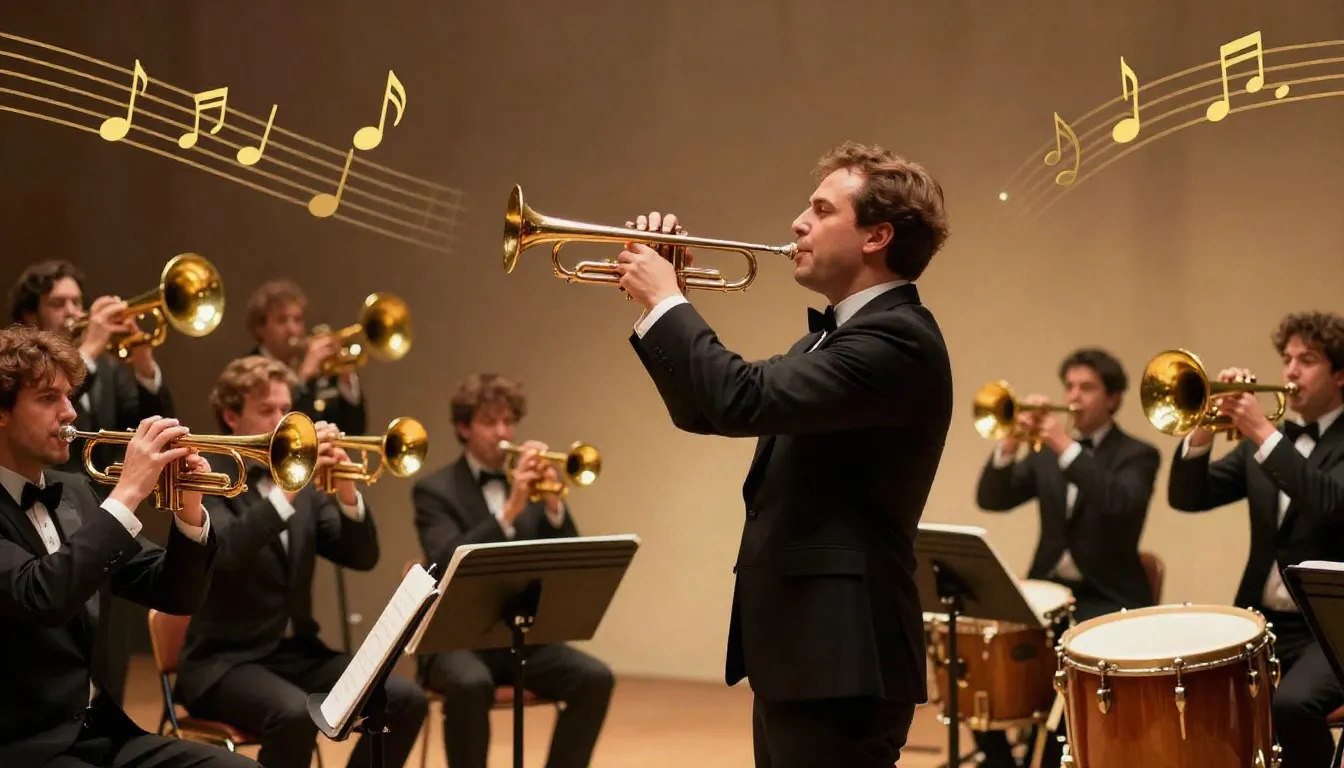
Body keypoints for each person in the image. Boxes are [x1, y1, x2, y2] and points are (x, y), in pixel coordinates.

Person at [616, 141, 954, 768]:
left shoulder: (898, 341)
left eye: (821, 210)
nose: (798, 223)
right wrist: (663, 303)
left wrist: (667, 303)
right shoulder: (830, 340)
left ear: (877, 235)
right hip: (804, 652)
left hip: (843, 656)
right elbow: (705, 411)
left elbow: (739, 397)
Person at [0, 324, 252, 767]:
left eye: (68, 396)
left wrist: (189, 508)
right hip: (25, 747)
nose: (70, 413)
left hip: (102, 732)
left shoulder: (75, 491)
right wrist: (129, 491)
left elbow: (175, 594)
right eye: (48, 398)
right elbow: (42, 595)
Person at [174, 355, 427, 768]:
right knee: (294, 715)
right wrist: (288, 488)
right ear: (231, 417)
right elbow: (227, 550)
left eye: (285, 409)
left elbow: (361, 557)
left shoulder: (306, 490)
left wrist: (346, 489)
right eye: (266, 410)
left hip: (298, 656)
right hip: (225, 661)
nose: (280, 421)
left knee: (404, 699)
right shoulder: (208, 474)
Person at [1168, 310, 1344, 768]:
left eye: (1307, 360)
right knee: (1198, 689)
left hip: (1332, 628)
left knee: (1292, 705)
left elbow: (1328, 504)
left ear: (1340, 375)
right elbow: (1188, 497)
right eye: (1287, 359)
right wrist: (1205, 421)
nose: (1291, 371)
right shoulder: (1265, 445)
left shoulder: (1269, 441)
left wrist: (1261, 430)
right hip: (1264, 621)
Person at [412, 373, 615, 768]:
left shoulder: (533, 486)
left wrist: (553, 503)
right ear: (464, 428)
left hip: (518, 636)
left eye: (509, 421)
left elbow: (568, 558)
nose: (503, 432)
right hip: (453, 641)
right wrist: (509, 512)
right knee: (470, 684)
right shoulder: (434, 490)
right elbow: (444, 559)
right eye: (490, 422)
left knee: (595, 678)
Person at [972, 347, 1160, 768]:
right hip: (1048, 590)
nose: (1073, 396)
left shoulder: (1138, 455)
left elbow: (1118, 503)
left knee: (1067, 663)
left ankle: (1056, 757)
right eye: (1069, 386)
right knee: (981, 652)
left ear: (1113, 398)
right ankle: (1001, 761)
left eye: (1086, 388)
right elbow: (993, 498)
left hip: (1107, 596)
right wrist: (1009, 442)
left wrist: (1062, 444)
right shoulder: (1045, 453)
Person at [8, 259, 179, 707]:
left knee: (102, 654)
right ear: (29, 315)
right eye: (58, 303)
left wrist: (144, 364)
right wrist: (88, 352)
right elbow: (42, 597)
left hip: (88, 509)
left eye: (77, 302)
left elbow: (146, 424)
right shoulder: (30, 372)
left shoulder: (109, 371)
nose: (73, 311)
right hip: (79, 508)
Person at [243, 279, 367, 435]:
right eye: (282, 320)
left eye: (298, 319)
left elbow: (354, 429)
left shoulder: (318, 367)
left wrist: (346, 379)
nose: (292, 329)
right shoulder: (247, 370)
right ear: (260, 328)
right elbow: (277, 429)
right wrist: (303, 378)